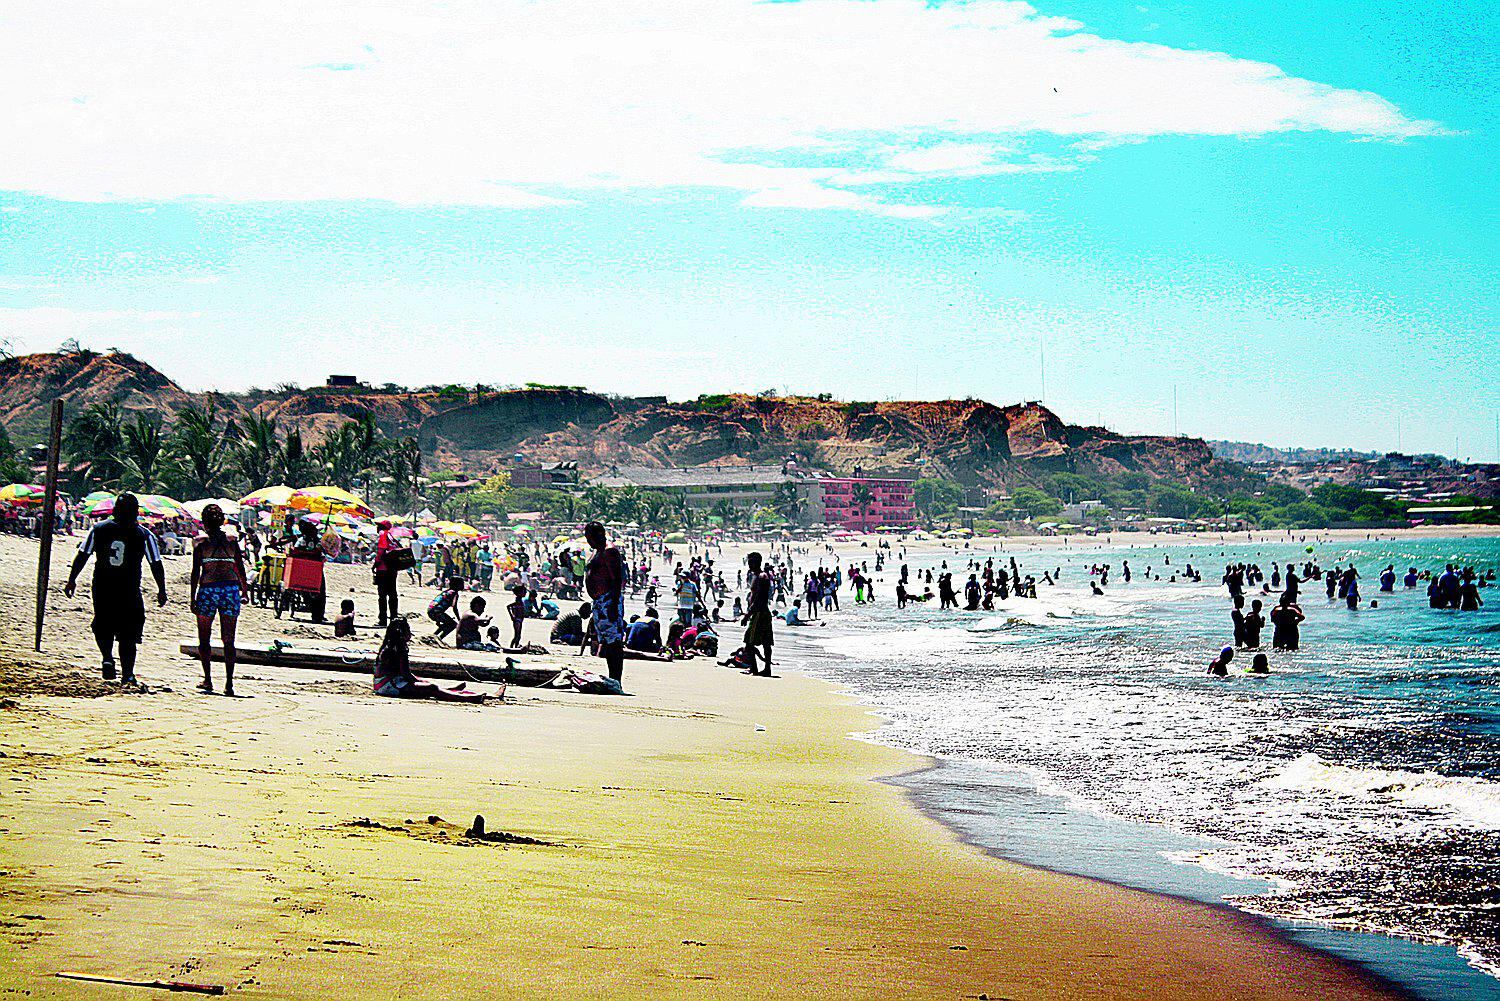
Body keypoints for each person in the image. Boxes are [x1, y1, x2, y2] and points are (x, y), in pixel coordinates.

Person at [64, 493, 167, 686]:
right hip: (129, 588)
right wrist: (161, 589)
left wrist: (72, 580)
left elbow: (82, 555)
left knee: (103, 624)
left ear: (115, 511)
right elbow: (156, 563)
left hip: (103, 586)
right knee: (128, 632)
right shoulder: (144, 534)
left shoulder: (98, 529)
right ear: (136, 512)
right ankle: (127, 674)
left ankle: (107, 657)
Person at [188, 503, 249, 696]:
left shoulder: (200, 543)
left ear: (204, 522)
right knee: (229, 640)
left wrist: (192, 597)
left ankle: (208, 679)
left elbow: (196, 572)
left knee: (204, 639)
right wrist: (245, 591)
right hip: (230, 590)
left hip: (208, 589)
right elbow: (240, 569)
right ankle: (229, 684)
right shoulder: (232, 541)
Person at [372, 619, 485, 702]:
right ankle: (466, 698)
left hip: (382, 684)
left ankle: (447, 690)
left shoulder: (389, 645)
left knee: (428, 685)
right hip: (389, 686)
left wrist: (421, 681)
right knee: (432, 688)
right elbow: (406, 674)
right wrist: (421, 682)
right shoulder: (400, 647)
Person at [584, 521, 627, 686]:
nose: (588, 541)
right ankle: (612, 677)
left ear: (599, 535)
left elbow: (616, 580)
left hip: (608, 600)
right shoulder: (598, 550)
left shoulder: (610, 552)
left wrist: (613, 606)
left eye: (590, 537)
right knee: (607, 641)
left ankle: (616, 679)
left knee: (614, 641)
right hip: (600, 601)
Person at [741, 551, 774, 677]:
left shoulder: (761, 577)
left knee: (749, 642)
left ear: (757, 562)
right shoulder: (758, 576)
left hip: (759, 613)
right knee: (765, 642)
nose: (749, 564)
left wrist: (747, 615)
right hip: (762, 612)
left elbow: (758, 599)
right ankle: (766, 668)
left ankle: (755, 668)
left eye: (751, 562)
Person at [373, 520, 401, 627]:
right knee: (393, 594)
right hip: (393, 569)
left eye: (378, 525)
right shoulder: (392, 537)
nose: (377, 527)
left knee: (382, 595)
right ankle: (394, 618)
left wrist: (375, 564)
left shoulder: (383, 535)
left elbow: (381, 551)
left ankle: (383, 620)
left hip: (383, 569)